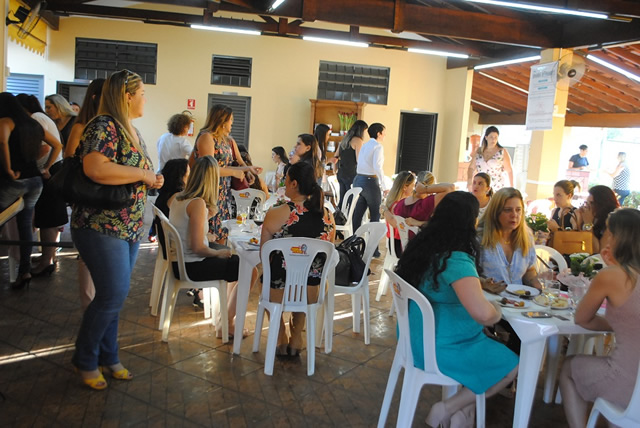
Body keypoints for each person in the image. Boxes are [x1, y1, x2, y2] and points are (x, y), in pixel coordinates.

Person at [70, 70, 164, 390]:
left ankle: (109, 356)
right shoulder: (103, 125)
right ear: (127, 96)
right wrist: (143, 174)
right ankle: (85, 359)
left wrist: (152, 178)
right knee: (112, 294)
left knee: (114, 296)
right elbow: (95, 168)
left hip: (127, 226)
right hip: (101, 224)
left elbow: (133, 173)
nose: (145, 99)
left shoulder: (130, 130)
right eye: (142, 93)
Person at [395, 191, 518, 428]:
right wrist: (497, 310)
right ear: (470, 222)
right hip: (441, 349)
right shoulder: (456, 260)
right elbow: (483, 314)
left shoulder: (422, 249)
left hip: (411, 339)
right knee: (511, 365)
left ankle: (463, 415)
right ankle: (447, 408)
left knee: (483, 348)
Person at [559, 208, 640, 428]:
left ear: (614, 237)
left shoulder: (612, 275)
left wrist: (609, 267)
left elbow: (582, 319)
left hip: (625, 382)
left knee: (568, 368)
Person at [259, 161, 336, 356]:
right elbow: (327, 254)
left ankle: (280, 335)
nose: (283, 183)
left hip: (280, 291)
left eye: (285, 179)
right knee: (309, 275)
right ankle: (296, 336)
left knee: (265, 278)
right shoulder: (328, 216)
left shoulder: (277, 213)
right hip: (312, 292)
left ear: (294, 184)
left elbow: (264, 254)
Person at [168, 155, 241, 335]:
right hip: (192, 266)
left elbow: (186, 229)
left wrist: (206, 226)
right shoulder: (197, 203)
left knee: (235, 261)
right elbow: (197, 248)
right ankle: (226, 324)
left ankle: (224, 317)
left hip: (179, 262)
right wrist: (217, 254)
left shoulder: (177, 198)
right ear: (212, 181)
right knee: (247, 268)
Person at [0, 93, 62, 290]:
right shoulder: (33, 124)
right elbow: (57, 145)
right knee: (25, 226)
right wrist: (46, 168)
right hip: (35, 181)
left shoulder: (6, 122)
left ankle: (20, 269)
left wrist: (8, 169)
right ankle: (25, 271)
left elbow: (2, 143)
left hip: (15, 181)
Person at [62, 78, 105, 307]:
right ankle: (89, 305)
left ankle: (98, 302)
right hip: (87, 197)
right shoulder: (81, 126)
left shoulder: (111, 126)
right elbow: (69, 159)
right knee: (87, 255)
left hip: (105, 200)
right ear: (96, 98)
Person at [189, 104, 261, 242]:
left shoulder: (227, 140)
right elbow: (209, 169)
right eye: (231, 119)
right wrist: (234, 172)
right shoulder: (206, 137)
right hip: (208, 191)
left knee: (222, 232)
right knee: (208, 233)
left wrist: (248, 170)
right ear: (222, 121)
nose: (232, 123)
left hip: (223, 193)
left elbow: (240, 161)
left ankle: (220, 253)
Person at [478, 187, 542, 289]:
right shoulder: (480, 238)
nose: (514, 215)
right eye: (508, 210)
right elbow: (466, 275)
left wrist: (535, 282)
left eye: (518, 210)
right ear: (495, 212)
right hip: (489, 297)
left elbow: (529, 270)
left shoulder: (526, 237)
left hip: (520, 297)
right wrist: (484, 284)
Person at [351, 122, 388, 237]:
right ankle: (373, 244)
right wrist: (384, 186)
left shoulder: (365, 145)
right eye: (384, 133)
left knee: (358, 213)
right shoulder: (378, 147)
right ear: (378, 133)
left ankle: (354, 240)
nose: (385, 135)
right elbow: (377, 167)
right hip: (370, 181)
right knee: (375, 213)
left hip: (358, 179)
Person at [16, 94, 62, 173]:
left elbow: (45, 147)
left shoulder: (36, 117)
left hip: (50, 167)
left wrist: (45, 168)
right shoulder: (38, 116)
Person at [467, 126, 513, 192]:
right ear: (486, 137)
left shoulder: (502, 152)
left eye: (495, 137)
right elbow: (471, 168)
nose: (493, 139)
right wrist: (469, 181)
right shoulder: (479, 151)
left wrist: (512, 187)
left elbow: (509, 170)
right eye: (491, 137)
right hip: (481, 186)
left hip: (497, 187)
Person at [333, 120, 368, 208]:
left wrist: (334, 169)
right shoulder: (358, 141)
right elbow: (359, 160)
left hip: (341, 173)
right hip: (351, 173)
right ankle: (347, 216)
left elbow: (335, 156)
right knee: (351, 201)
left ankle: (339, 215)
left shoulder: (344, 140)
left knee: (342, 199)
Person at [381, 171, 416, 256]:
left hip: (394, 243)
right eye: (413, 185)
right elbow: (395, 223)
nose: (414, 189)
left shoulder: (393, 202)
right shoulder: (399, 205)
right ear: (405, 187)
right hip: (400, 245)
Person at [577, 185, 619, 254]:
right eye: (587, 203)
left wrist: (588, 223)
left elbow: (599, 251)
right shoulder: (593, 217)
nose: (589, 207)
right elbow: (579, 239)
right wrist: (581, 219)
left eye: (592, 203)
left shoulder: (612, 220)